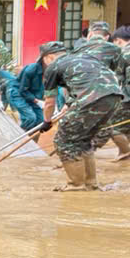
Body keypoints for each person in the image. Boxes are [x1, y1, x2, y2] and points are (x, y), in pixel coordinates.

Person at [43, 46, 125, 190]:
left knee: (64, 140)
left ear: (48, 57)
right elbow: (88, 81)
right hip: (115, 96)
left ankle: (76, 185)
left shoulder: (53, 66)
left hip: (93, 98)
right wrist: (68, 105)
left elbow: (49, 102)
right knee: (83, 140)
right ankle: (91, 184)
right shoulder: (85, 57)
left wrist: (46, 121)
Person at [72, 21, 130, 161]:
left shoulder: (122, 52)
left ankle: (125, 152)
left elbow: (118, 76)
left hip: (119, 96)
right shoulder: (117, 51)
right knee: (123, 125)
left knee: (111, 126)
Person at [10, 41, 64, 134]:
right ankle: (19, 137)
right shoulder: (31, 70)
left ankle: (32, 144)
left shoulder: (54, 72)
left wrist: (56, 107)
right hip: (19, 95)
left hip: (34, 97)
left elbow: (57, 90)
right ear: (45, 57)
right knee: (30, 117)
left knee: (40, 121)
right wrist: (38, 102)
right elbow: (23, 90)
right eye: (54, 57)